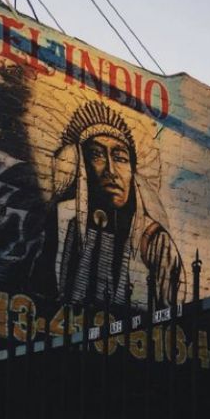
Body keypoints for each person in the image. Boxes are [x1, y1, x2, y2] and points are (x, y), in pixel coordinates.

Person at [40, 101, 186, 310]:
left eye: (120, 158)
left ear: (133, 172)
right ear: (82, 166)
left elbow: (174, 319)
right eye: (97, 155)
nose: (111, 170)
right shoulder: (62, 222)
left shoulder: (155, 240)